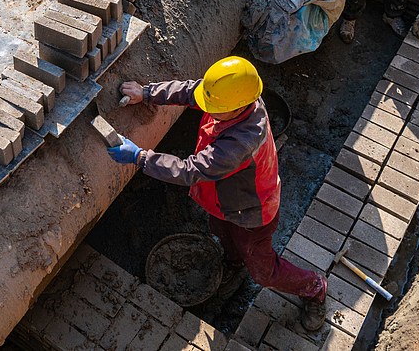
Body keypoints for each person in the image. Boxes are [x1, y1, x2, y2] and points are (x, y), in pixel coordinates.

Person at [106, 56, 328, 332]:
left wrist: (140, 157)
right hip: (225, 202)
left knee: (262, 271)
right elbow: (192, 90)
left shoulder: (240, 141)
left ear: (236, 109)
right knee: (222, 233)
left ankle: (314, 287)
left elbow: (191, 170)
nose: (206, 108)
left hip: (252, 213)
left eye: (213, 108)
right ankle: (233, 263)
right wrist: (148, 92)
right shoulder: (233, 97)